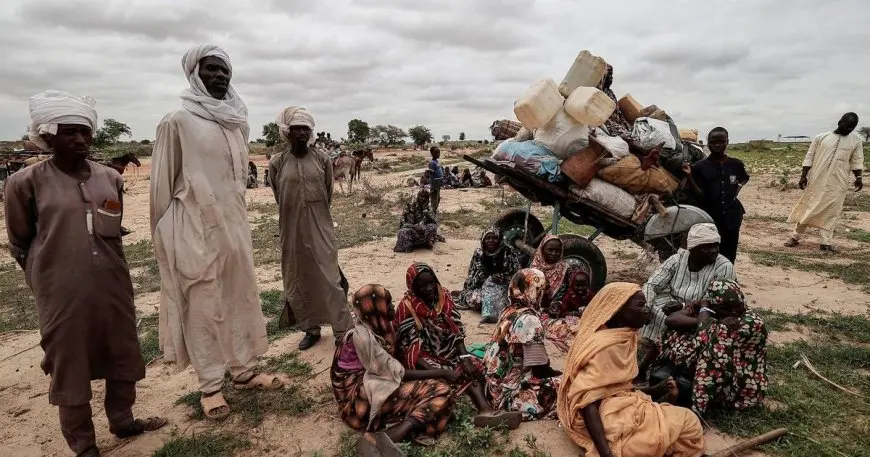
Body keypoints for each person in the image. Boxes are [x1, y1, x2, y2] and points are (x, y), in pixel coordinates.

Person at [5, 90, 166, 457]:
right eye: (68, 132)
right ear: (47, 136)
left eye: (85, 132)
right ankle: (84, 445)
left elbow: (113, 228)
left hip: (112, 284)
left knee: (121, 353)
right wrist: (43, 279)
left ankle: (123, 421)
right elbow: (20, 241)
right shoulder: (25, 183)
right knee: (69, 363)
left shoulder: (111, 177)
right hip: (60, 291)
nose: (79, 139)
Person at [151, 44, 278, 420]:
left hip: (234, 229)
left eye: (225, 71)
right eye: (211, 69)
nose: (220, 76)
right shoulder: (176, 122)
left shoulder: (236, 123)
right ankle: (209, 387)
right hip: (193, 232)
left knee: (237, 296)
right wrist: (166, 239)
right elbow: (160, 188)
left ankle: (242, 371)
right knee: (204, 305)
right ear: (194, 74)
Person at [557, 283, 704, 457]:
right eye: (640, 305)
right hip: (605, 414)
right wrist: (606, 454)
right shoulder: (605, 346)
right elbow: (589, 402)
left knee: (689, 422)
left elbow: (615, 386)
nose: (647, 310)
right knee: (653, 439)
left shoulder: (624, 336)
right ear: (619, 310)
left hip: (621, 405)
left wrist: (654, 390)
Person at [392, 263, 522, 428]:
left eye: (431, 282)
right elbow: (410, 351)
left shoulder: (443, 297)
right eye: (422, 286)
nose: (430, 288)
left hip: (449, 351)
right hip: (423, 358)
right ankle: (483, 409)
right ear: (413, 287)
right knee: (444, 380)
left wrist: (465, 357)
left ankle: (486, 410)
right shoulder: (407, 308)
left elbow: (456, 331)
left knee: (474, 368)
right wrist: (441, 371)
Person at [268, 106, 353, 351]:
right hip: (291, 229)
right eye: (297, 128)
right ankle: (310, 329)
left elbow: (328, 194)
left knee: (329, 278)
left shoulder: (323, 160)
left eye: (306, 128)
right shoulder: (277, 163)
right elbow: (279, 196)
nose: (303, 133)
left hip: (320, 226)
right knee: (298, 278)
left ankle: (341, 331)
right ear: (287, 132)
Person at [647, 279, 768, 416]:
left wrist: (703, 305)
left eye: (737, 306)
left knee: (705, 350)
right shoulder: (716, 317)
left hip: (736, 388)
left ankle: (697, 410)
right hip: (725, 378)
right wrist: (698, 307)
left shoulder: (751, 322)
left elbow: (703, 330)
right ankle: (645, 372)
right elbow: (671, 321)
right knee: (674, 333)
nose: (733, 312)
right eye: (726, 308)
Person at [483, 269, 562, 421]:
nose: (548, 294)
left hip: (491, 388)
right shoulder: (530, 320)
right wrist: (558, 375)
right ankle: (515, 409)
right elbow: (540, 368)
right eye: (544, 290)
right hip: (508, 395)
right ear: (532, 290)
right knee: (567, 388)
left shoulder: (509, 310)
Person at [639, 223, 735, 346]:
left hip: (703, 309)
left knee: (694, 320)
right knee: (651, 303)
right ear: (693, 249)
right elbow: (652, 285)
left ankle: (675, 341)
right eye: (706, 248)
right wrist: (646, 306)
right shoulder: (677, 259)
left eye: (716, 246)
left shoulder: (724, 267)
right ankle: (658, 339)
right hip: (673, 302)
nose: (714, 251)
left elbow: (717, 302)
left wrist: (683, 306)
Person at [785, 113, 864, 252]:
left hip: (838, 183)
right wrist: (803, 176)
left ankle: (825, 243)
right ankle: (795, 237)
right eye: (847, 126)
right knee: (808, 208)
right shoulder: (821, 138)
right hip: (817, 181)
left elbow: (857, 161)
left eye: (852, 128)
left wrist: (859, 178)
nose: (849, 130)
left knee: (831, 212)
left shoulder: (856, 141)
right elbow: (809, 157)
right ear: (840, 122)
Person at [684, 127, 749, 263]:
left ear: (727, 142)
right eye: (714, 142)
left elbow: (744, 178)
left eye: (721, 141)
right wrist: (689, 176)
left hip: (733, 214)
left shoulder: (736, 164)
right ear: (708, 144)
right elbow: (700, 195)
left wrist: (737, 189)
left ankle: (728, 277)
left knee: (730, 249)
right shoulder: (699, 167)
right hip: (710, 216)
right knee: (711, 248)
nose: (718, 145)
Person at [456, 227, 522, 323]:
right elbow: (472, 278)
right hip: (482, 288)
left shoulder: (508, 251)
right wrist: (489, 279)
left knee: (514, 301)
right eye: (487, 238)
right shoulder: (479, 254)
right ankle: (493, 310)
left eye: (494, 238)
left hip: (504, 287)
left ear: (499, 239)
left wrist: (503, 278)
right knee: (475, 300)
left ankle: (495, 309)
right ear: (483, 240)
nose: (491, 241)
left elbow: (517, 274)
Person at [541, 269, 595, 353]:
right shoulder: (569, 295)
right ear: (572, 284)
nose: (580, 289)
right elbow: (562, 313)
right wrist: (574, 314)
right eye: (577, 286)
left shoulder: (589, 294)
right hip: (571, 320)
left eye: (584, 285)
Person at [530, 235, 575, 311]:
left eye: (558, 251)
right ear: (542, 250)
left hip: (558, 309)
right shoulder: (534, 268)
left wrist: (559, 304)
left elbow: (570, 292)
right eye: (550, 250)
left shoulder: (565, 269)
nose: (554, 254)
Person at [428, 146, 443, 214]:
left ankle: (434, 210)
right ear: (432, 153)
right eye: (436, 152)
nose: (438, 154)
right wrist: (433, 186)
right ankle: (433, 211)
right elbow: (431, 175)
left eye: (439, 152)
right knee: (434, 198)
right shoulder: (432, 163)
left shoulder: (437, 162)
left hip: (438, 183)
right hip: (434, 184)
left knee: (438, 198)